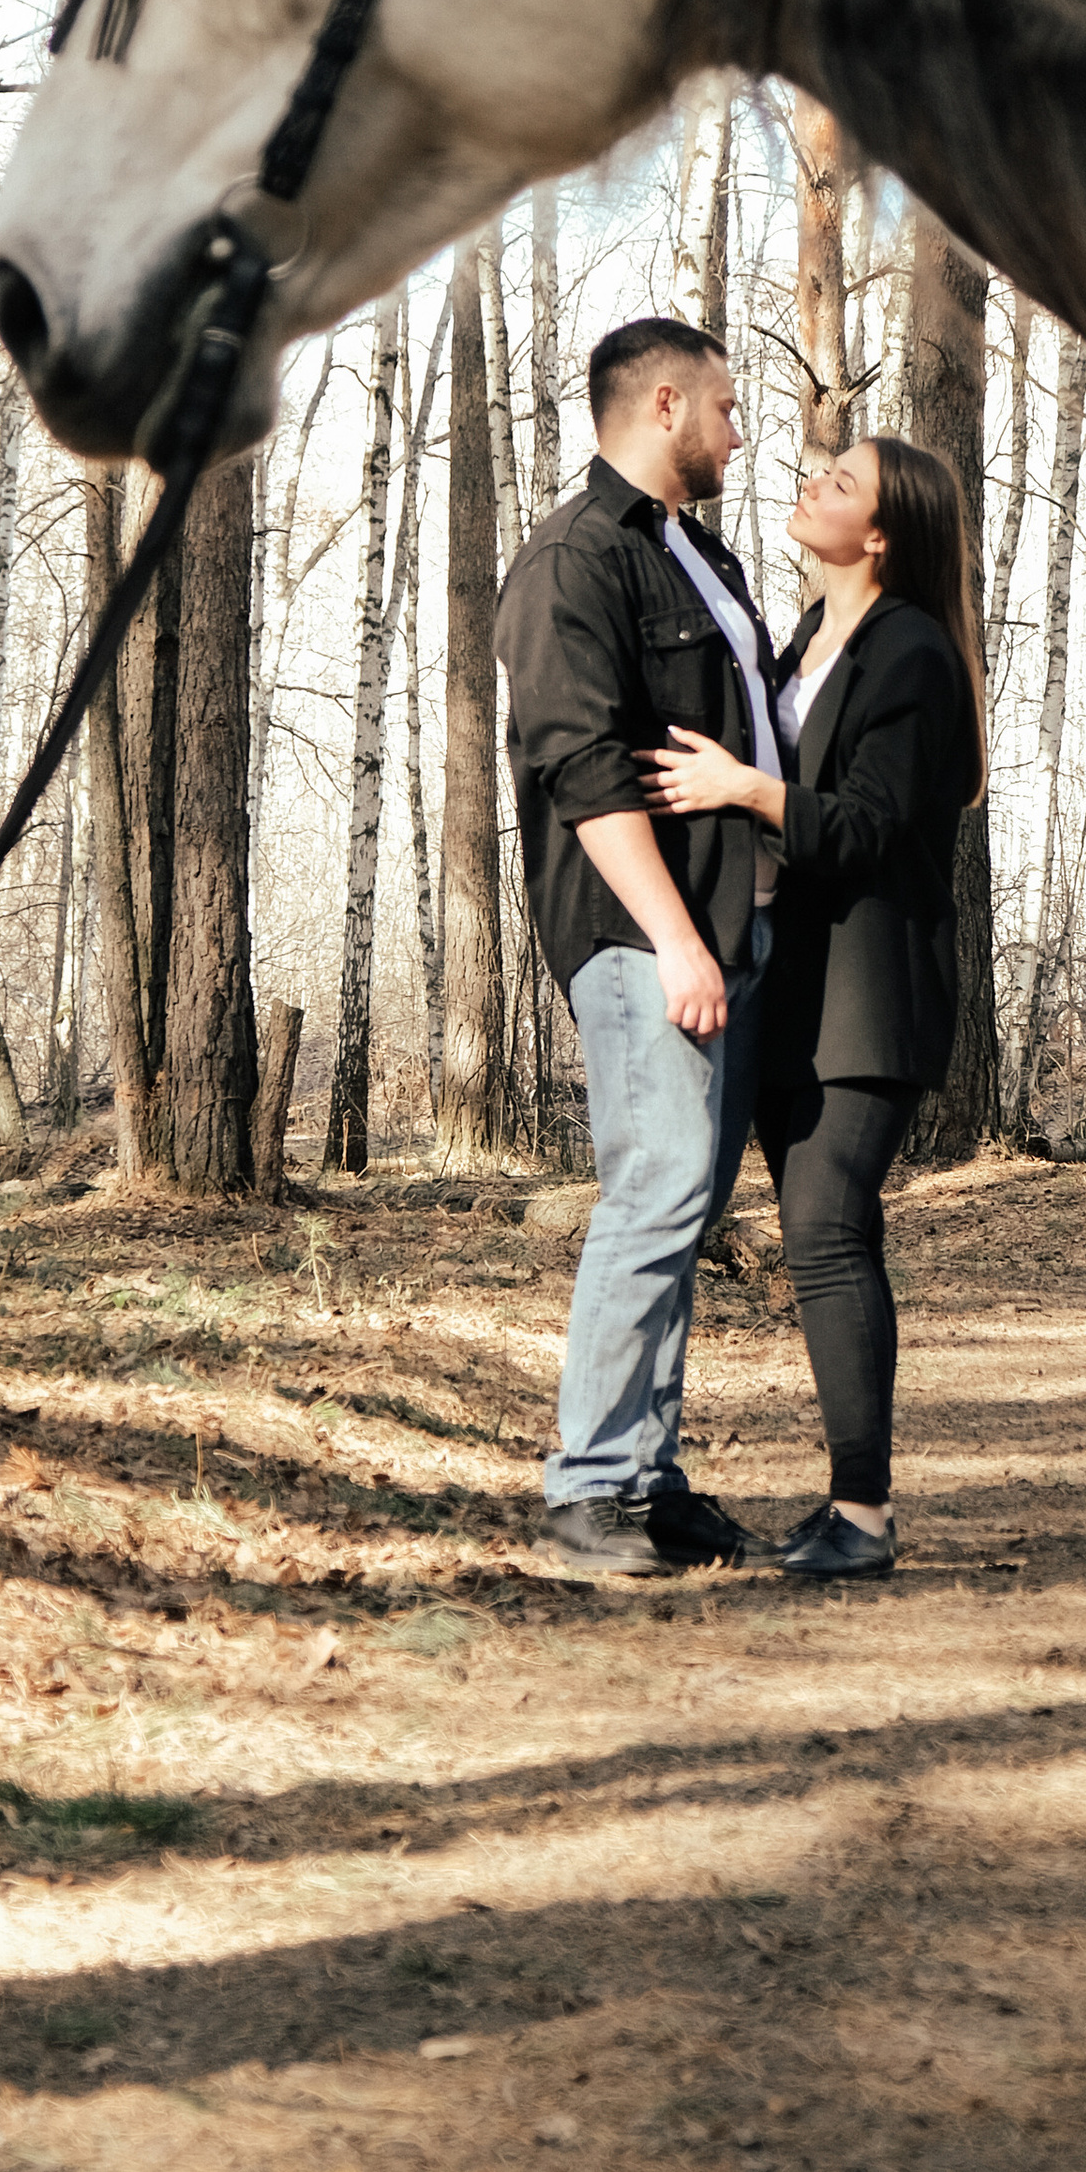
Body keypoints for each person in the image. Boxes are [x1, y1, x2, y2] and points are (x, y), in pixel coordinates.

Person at [643, 432, 986, 1579]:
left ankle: (865, 1517)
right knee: (815, 1240)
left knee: (831, 1232)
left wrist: (744, 789)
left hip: (871, 990)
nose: (809, 484)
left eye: (840, 484)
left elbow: (874, 825)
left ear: (880, 534)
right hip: (792, 982)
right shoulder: (804, 639)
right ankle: (852, 1509)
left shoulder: (911, 653)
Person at [493, 315, 784, 1573]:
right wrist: (675, 940)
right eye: (725, 407)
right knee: (656, 1187)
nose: (740, 431)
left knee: (686, 1201)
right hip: (643, 935)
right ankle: (594, 1489)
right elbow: (580, 765)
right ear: (663, 405)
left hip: (727, 928)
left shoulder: (696, 554)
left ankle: (646, 1483)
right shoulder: (572, 559)